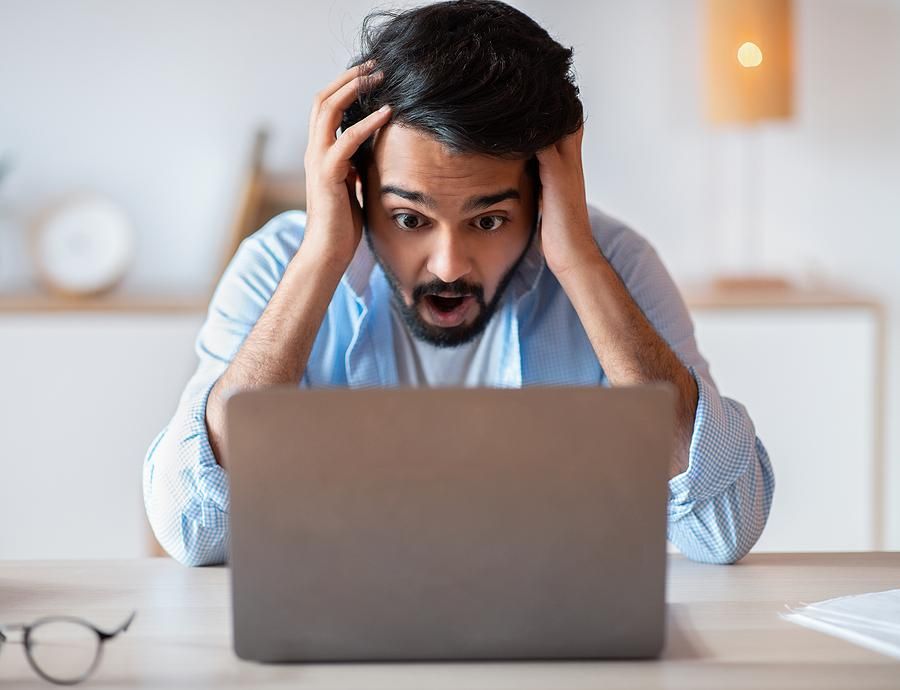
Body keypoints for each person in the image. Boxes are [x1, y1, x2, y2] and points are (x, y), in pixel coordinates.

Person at [143, 0, 774, 567]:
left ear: (545, 194)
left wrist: (580, 263)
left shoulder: (615, 265)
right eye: (409, 218)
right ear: (356, 188)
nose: (447, 266)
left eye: (488, 219)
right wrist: (318, 261)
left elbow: (723, 529)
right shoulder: (279, 263)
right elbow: (194, 530)